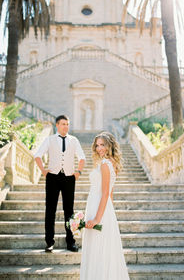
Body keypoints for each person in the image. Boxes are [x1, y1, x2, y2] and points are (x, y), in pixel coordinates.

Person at [80, 132, 129, 280]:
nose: (99, 148)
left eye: (102, 145)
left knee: (97, 249)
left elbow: (106, 192)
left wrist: (97, 219)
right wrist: (109, 214)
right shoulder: (111, 163)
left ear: (109, 145)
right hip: (103, 209)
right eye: (97, 145)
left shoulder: (105, 164)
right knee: (102, 250)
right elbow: (111, 193)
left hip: (98, 209)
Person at [34, 115, 85, 253]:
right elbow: (37, 155)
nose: (66, 126)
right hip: (52, 178)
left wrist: (78, 172)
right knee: (50, 210)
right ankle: (49, 242)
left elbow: (82, 157)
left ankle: (71, 242)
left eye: (67, 124)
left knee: (69, 211)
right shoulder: (50, 140)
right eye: (63, 124)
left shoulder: (74, 140)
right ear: (57, 125)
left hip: (69, 178)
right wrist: (44, 171)